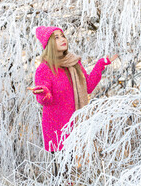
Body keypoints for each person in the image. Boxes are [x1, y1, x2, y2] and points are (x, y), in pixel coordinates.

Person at [28, 25, 118, 154]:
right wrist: (44, 92)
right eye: (56, 37)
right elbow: (45, 101)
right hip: (56, 128)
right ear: (49, 44)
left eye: (63, 36)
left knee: (76, 169)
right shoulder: (44, 68)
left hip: (76, 125)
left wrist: (100, 64)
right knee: (61, 171)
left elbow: (88, 87)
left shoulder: (74, 63)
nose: (62, 39)